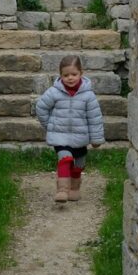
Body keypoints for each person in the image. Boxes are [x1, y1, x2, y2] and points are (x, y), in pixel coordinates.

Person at [35, 54, 105, 203]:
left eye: (74, 74)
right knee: (65, 158)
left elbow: (95, 118)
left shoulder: (88, 95)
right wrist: (50, 126)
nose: (70, 78)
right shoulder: (54, 92)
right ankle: (62, 190)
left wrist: (96, 138)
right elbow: (41, 107)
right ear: (60, 76)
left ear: (81, 73)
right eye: (66, 75)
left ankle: (74, 189)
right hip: (61, 137)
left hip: (80, 138)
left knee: (78, 165)